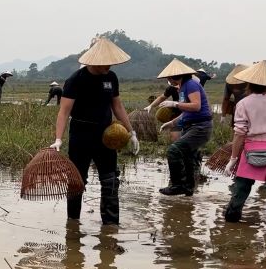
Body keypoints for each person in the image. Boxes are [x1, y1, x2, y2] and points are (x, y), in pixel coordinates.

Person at [51, 37, 139, 225]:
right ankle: (73, 224)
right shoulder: (76, 80)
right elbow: (64, 112)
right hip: (80, 136)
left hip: (105, 136)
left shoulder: (111, 77)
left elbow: (118, 106)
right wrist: (58, 138)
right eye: (104, 62)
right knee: (76, 182)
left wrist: (132, 132)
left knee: (110, 180)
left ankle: (111, 226)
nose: (109, 65)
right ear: (94, 60)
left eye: (110, 61)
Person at [223, 61, 266, 226]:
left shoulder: (244, 103)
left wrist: (233, 158)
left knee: (242, 188)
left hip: (252, 149)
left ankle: (230, 223)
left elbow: (239, 134)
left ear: (249, 83)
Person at [157, 59, 213, 196]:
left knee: (174, 150)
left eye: (168, 78)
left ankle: (177, 185)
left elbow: (196, 106)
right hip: (191, 126)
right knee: (187, 157)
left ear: (173, 77)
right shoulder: (183, 87)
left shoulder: (191, 84)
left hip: (200, 127)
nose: (168, 80)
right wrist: (171, 123)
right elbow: (187, 112)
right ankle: (188, 188)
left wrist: (174, 104)